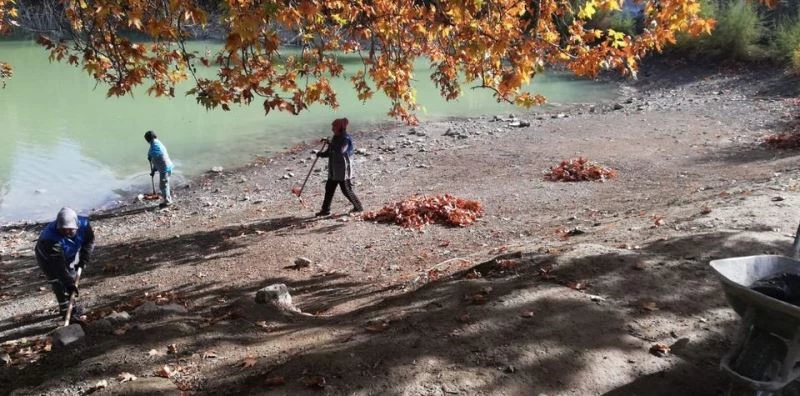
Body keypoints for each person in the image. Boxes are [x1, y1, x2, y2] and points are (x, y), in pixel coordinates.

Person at [35, 207, 94, 322]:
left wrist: (83, 259)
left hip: (67, 254)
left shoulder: (84, 225)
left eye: (70, 229)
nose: (67, 232)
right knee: (59, 283)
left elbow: (89, 242)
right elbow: (58, 266)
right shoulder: (50, 238)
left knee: (71, 278)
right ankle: (66, 312)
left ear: (76, 225)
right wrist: (69, 284)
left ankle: (72, 308)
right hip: (48, 259)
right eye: (63, 230)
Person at [316, 118, 364, 216]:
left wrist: (330, 143)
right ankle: (325, 210)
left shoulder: (346, 139)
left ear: (339, 128)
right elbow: (330, 152)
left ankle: (358, 207)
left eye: (334, 127)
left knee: (346, 190)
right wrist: (321, 154)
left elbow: (341, 150)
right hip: (333, 169)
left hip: (343, 170)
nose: (332, 129)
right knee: (329, 188)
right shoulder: (335, 137)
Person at [145, 130, 174, 208]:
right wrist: (154, 170)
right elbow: (158, 160)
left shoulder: (155, 145)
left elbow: (157, 155)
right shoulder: (156, 142)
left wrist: (150, 155)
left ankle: (168, 201)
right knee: (165, 184)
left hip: (165, 168)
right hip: (166, 167)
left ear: (148, 139)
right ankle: (168, 199)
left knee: (163, 186)